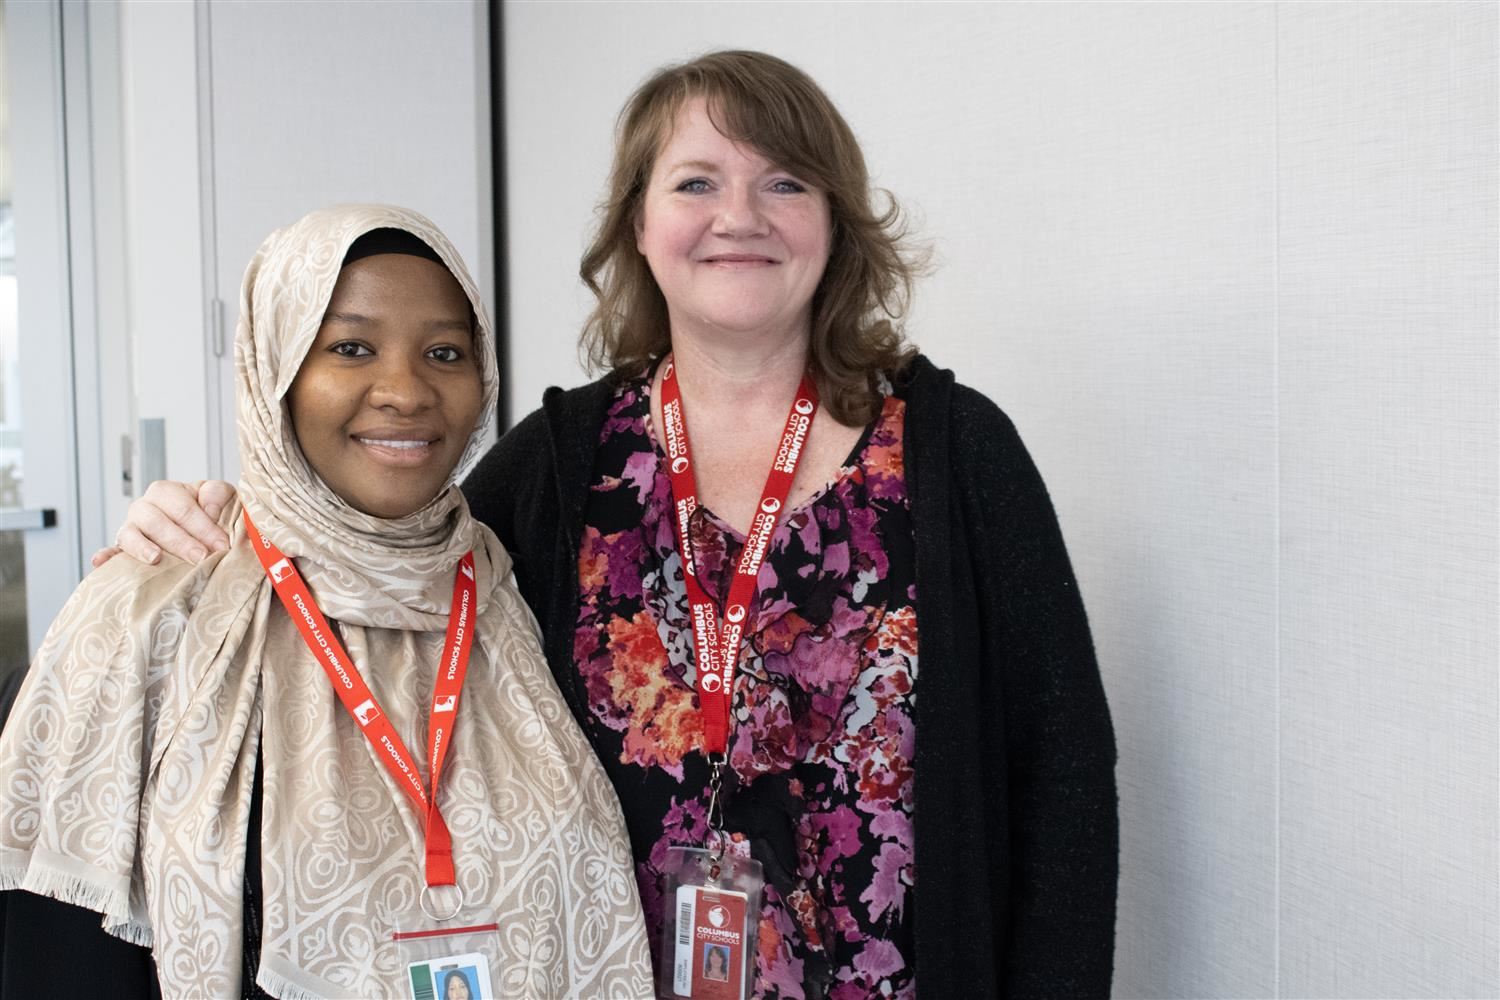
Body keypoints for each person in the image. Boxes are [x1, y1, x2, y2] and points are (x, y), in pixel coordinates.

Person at [100, 52, 1118, 998]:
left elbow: (1064, 776)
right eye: (696, 182)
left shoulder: (955, 453)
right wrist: (203, 527)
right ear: (637, 223)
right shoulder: (560, 461)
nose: (740, 215)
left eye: (786, 182)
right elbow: (373, 562)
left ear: (836, 222)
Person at [0, 205, 652, 998]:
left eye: (445, 352)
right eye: (351, 347)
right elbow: (57, 946)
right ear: (274, 371)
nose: (407, 391)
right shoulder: (152, 606)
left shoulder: (516, 581)